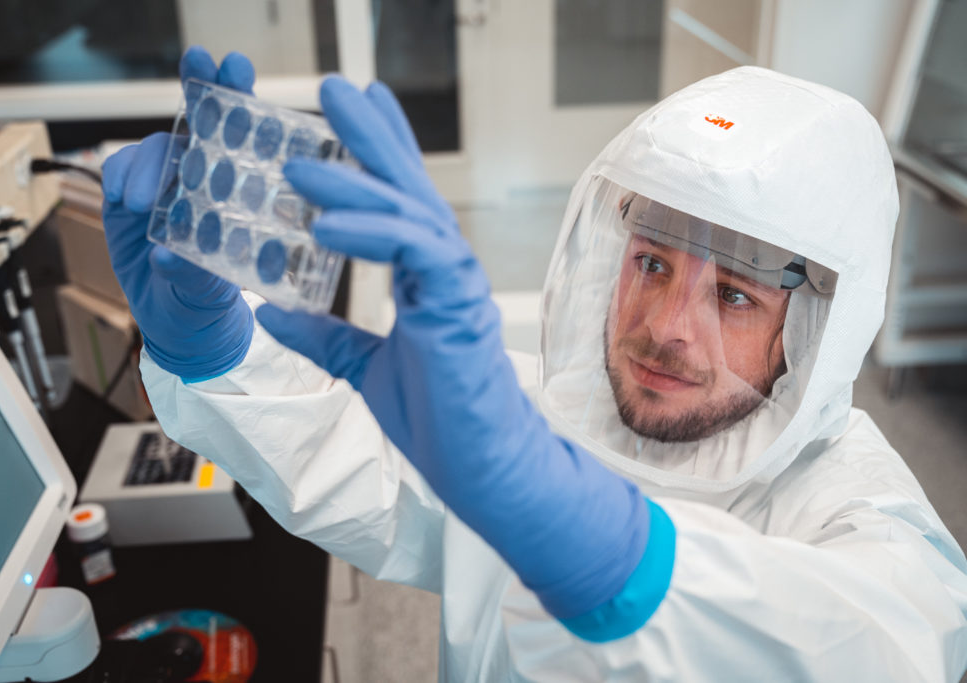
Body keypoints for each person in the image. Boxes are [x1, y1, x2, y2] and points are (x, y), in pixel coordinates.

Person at [102, 46, 967, 681]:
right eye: (652, 263)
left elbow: (892, 646)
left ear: (814, 328)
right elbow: (364, 467)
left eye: (735, 295)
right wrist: (214, 345)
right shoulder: (544, 413)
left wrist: (605, 551)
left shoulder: (860, 511)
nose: (667, 327)